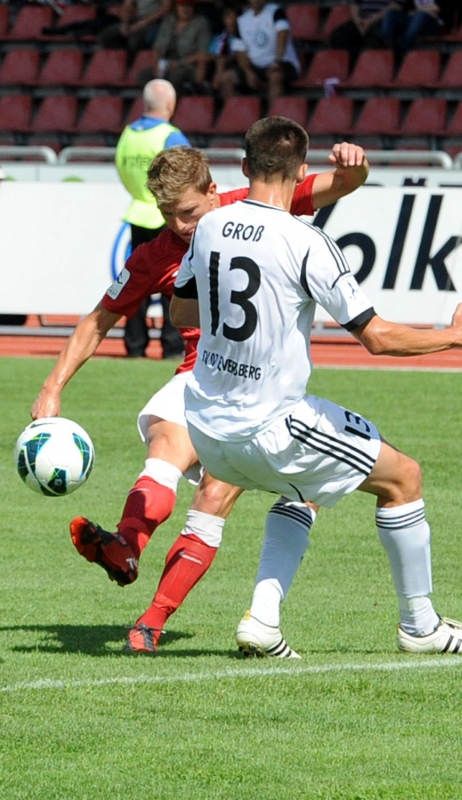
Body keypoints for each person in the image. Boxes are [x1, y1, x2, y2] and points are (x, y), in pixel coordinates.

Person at [171, 115, 462, 658]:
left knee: (305, 489)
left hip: (207, 432)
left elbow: (181, 312)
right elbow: (378, 338)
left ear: (245, 167)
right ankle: (421, 626)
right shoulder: (308, 242)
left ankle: (263, 619)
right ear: (302, 170)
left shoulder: (210, 225)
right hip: (268, 426)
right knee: (403, 477)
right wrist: (454, 335)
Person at [30, 142, 370, 654]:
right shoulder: (155, 254)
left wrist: (354, 165)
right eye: (167, 215)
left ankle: (151, 621)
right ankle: (126, 547)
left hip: (258, 387)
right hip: (199, 374)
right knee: (164, 448)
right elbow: (98, 321)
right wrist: (52, 387)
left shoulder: (253, 207)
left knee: (213, 493)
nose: (180, 225)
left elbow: (339, 184)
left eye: (188, 212)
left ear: (213, 191)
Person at [115, 78, 188, 359]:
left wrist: (140, 194)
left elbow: (121, 168)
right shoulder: (170, 136)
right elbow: (187, 177)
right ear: (170, 105)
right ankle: (172, 345)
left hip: (137, 211)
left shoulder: (127, 134)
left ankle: (134, 345)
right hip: (165, 217)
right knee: (175, 280)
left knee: (137, 281)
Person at [217, 0, 300, 103]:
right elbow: (240, 51)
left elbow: (283, 34)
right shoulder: (242, 20)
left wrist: (277, 61)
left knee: (275, 75)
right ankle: (238, 111)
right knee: (226, 79)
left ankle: (273, 113)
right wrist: (248, 72)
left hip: (283, 62)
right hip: (256, 67)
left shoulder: (276, 12)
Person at [138, 0, 213, 95]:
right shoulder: (169, 20)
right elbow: (157, 47)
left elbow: (203, 54)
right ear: (176, 7)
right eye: (182, 6)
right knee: (144, 76)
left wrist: (179, 63)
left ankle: (177, 99)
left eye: (188, 6)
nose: (185, 9)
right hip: (166, 63)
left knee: (175, 77)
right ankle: (156, 102)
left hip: (188, 65)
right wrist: (156, 67)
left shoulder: (201, 23)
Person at [328, 0, 405, 52]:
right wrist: (358, 21)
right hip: (361, 20)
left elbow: (396, 6)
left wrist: (370, 21)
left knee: (380, 37)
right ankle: (360, 59)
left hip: (382, 20)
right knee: (337, 37)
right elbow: (354, 3)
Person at [99, 0, 171, 51]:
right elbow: (127, 6)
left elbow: (166, 8)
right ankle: (119, 59)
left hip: (154, 22)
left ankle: (132, 62)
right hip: (138, 19)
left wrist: (142, 23)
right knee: (107, 35)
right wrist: (125, 24)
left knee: (134, 39)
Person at [381, 1, 445, 55]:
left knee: (421, 15)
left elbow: (437, 8)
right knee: (391, 13)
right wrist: (426, 10)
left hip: (434, 25)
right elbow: (407, 11)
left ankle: (402, 47)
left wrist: (418, 11)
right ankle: (387, 43)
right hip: (415, 23)